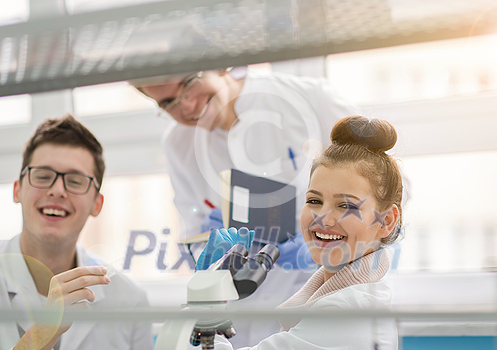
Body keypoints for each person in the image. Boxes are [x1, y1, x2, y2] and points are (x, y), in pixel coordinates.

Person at [133, 67, 357, 345]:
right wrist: (210, 252)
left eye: (188, 84)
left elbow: (388, 191)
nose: (187, 105)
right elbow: (192, 235)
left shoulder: (311, 99)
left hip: (321, 297)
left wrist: (316, 242)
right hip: (239, 314)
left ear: (218, 64)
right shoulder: (179, 143)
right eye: (167, 103)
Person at [195, 115, 403, 349]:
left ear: (386, 221)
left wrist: (204, 301)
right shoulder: (343, 294)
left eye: (346, 205)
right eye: (314, 200)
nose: (322, 217)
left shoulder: (345, 313)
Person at [0, 115, 153, 350]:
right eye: (43, 176)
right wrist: (44, 332)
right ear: (17, 190)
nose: (57, 190)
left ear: (97, 204)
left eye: (75, 181)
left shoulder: (131, 303)